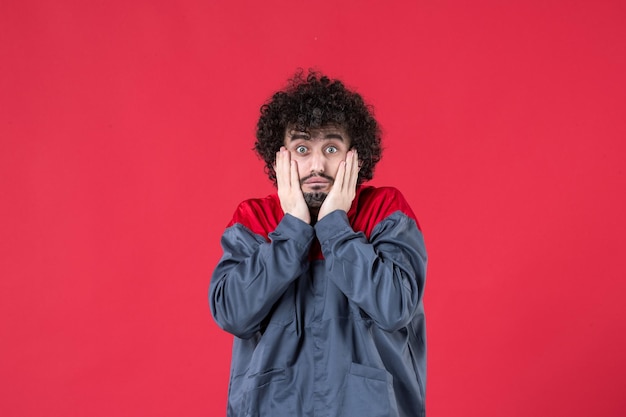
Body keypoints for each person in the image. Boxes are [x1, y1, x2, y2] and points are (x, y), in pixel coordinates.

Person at [209, 70, 427, 417]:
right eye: (301, 148)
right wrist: (293, 229)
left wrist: (334, 227)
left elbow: (394, 307)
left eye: (330, 147)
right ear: (280, 157)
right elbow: (233, 314)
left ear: (353, 156)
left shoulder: (386, 211)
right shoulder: (253, 219)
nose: (317, 165)